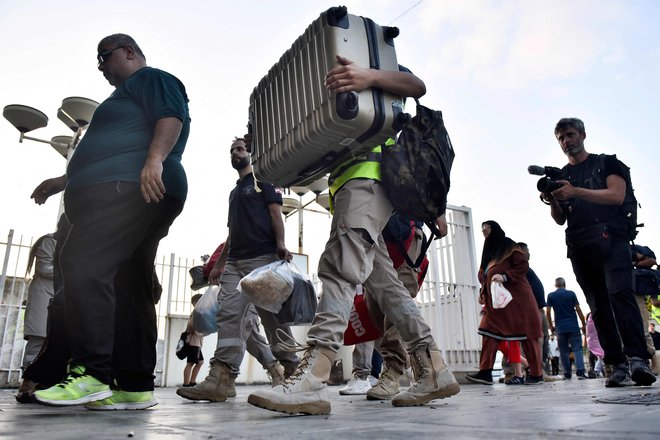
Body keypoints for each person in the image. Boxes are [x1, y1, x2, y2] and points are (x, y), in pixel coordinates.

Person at [247, 55, 460, 415]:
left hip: (369, 178)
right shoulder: (336, 89)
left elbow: (416, 86)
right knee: (386, 288)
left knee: (340, 268)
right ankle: (433, 369)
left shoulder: (372, 70)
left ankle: (314, 376)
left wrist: (368, 75)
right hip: (351, 184)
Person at [31, 33, 191, 410]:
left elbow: (171, 116)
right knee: (131, 282)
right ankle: (134, 386)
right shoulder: (125, 97)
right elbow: (108, 148)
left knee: (82, 262)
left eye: (104, 56)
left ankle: (91, 373)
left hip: (132, 186)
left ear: (129, 52)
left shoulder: (150, 79)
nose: (100, 65)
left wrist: (153, 161)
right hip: (129, 187)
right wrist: (62, 181)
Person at [176, 137, 299, 403]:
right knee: (229, 315)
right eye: (232, 150)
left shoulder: (264, 179)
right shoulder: (234, 192)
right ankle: (221, 378)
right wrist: (220, 264)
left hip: (263, 260)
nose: (235, 153)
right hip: (235, 262)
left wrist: (280, 244)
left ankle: (292, 372)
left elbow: (276, 213)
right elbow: (231, 231)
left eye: (240, 149)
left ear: (252, 154)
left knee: (272, 320)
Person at [543, 117, 655, 387]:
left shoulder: (607, 163)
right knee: (598, 307)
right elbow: (559, 219)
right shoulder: (561, 176)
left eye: (570, 134)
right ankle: (616, 364)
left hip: (612, 240)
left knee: (620, 295)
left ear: (583, 134)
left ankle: (637, 359)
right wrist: (554, 200)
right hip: (580, 246)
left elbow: (616, 196)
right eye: (561, 138)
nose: (566, 141)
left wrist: (576, 191)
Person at [465, 221, 543, 386]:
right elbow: (485, 279)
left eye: (487, 226)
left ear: (495, 229)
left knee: (527, 335)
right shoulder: (488, 254)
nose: (484, 230)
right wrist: (483, 294)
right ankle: (485, 372)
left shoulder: (509, 246)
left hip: (518, 301)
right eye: (482, 228)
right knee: (488, 332)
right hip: (497, 305)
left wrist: (506, 276)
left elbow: (522, 265)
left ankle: (536, 374)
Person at [16, 233, 57, 402]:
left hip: (59, 297)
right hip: (43, 295)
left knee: (56, 342)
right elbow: (44, 267)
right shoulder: (50, 241)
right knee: (38, 340)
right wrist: (71, 269)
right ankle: (27, 386)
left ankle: (45, 385)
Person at [517, 242, 550, 375]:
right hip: (531, 310)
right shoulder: (518, 267)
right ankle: (534, 370)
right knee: (533, 340)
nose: (529, 253)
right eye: (527, 250)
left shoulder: (524, 267)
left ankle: (538, 370)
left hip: (538, 309)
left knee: (541, 341)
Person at [546, 277, 587, 380]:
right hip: (573, 326)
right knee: (577, 349)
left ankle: (567, 374)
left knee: (563, 351)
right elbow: (578, 310)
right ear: (565, 284)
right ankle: (581, 372)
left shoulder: (551, 296)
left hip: (560, 328)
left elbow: (548, 311)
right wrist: (584, 324)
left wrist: (551, 326)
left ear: (555, 285)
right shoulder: (571, 294)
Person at [182, 294, 205, 388]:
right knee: (190, 363)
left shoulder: (198, 312)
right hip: (193, 343)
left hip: (197, 342)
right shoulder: (196, 312)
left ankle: (192, 382)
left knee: (200, 362)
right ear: (196, 303)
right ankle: (186, 384)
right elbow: (191, 326)